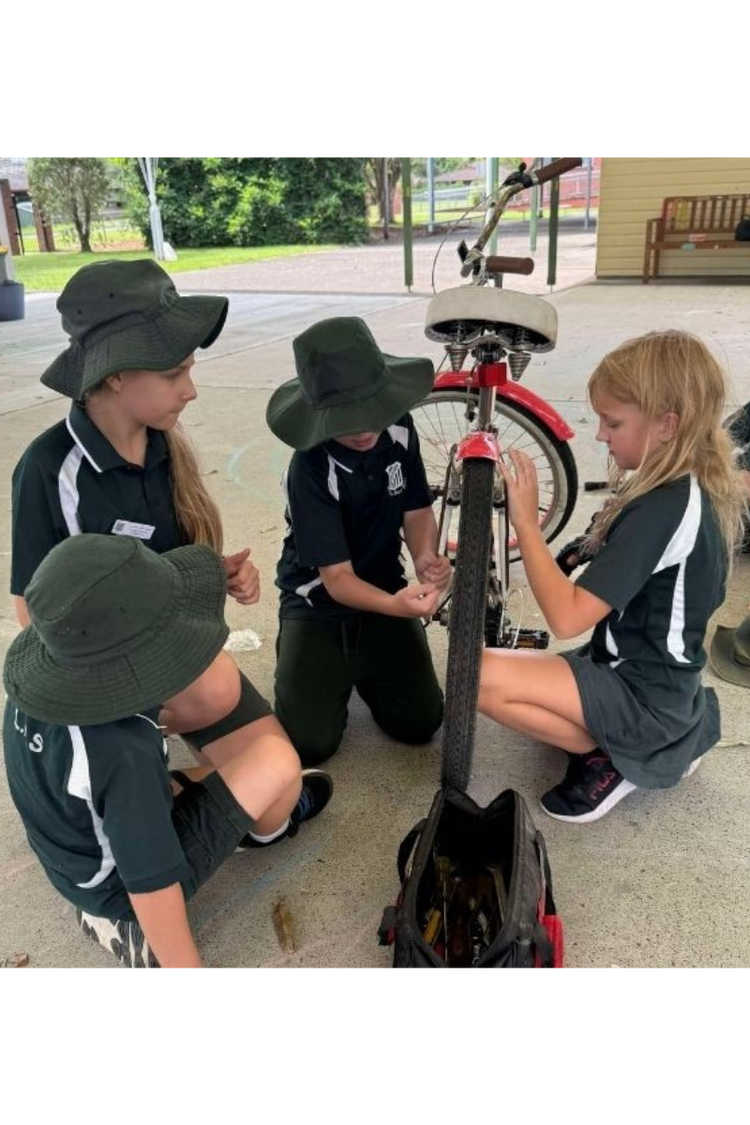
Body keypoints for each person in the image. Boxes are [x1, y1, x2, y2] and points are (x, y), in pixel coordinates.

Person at [9, 259, 309, 791]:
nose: (190, 390)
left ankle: (164, 788)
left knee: (280, 780)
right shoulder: (50, 469)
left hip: (170, 647)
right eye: (175, 374)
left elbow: (167, 562)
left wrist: (219, 574)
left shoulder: (164, 444)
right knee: (235, 728)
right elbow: (33, 612)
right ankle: (133, 772)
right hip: (101, 670)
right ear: (117, 372)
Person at [3, 534, 331, 971]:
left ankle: (115, 888)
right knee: (276, 762)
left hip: (69, 846)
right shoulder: (125, 750)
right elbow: (149, 880)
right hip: (115, 883)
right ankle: (124, 921)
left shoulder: (40, 688)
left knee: (149, 797)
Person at [478, 330, 746, 823]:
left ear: (668, 425)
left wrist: (524, 521)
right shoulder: (684, 481)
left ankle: (622, 758)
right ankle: (659, 736)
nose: (600, 434)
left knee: (476, 677)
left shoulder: (664, 508)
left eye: (613, 422)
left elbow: (565, 616)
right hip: (654, 673)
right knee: (517, 686)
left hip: (642, 692)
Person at [265, 316, 450, 765]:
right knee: (309, 745)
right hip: (320, 604)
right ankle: (321, 661)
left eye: (374, 411)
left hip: (385, 586)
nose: (366, 429)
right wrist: (398, 607)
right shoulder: (310, 467)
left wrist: (425, 555)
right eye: (348, 420)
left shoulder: (400, 429)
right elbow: (337, 578)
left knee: (421, 722)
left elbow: (416, 508)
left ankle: (362, 663)